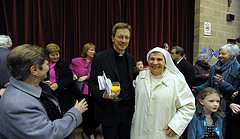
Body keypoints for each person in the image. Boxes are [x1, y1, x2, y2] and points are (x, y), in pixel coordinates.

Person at [0, 44, 88, 138]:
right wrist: (75, 112)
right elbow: (49, 133)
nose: (48, 67)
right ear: (34, 70)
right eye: (46, 64)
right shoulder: (19, 104)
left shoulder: (37, 85)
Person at [131, 47, 195, 139]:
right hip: (140, 132)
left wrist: (176, 126)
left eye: (159, 59)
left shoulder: (176, 81)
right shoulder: (140, 77)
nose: (155, 62)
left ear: (166, 62)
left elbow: (189, 106)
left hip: (163, 133)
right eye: (152, 59)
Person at [88, 22, 135, 139]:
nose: (123, 40)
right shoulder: (100, 57)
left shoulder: (130, 58)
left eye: (126, 37)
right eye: (120, 37)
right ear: (113, 38)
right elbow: (91, 84)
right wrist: (103, 95)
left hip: (127, 112)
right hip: (108, 111)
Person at [193, 44, 240, 137]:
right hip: (212, 104)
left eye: (223, 54)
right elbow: (209, 83)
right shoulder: (215, 67)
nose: (219, 56)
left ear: (231, 56)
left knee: (222, 131)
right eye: (219, 53)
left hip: (226, 106)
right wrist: (197, 89)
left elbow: (234, 91)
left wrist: (222, 83)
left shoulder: (237, 69)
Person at [70, 42, 98, 139]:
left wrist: (87, 77)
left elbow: (99, 74)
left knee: (93, 113)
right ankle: (87, 132)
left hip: (93, 91)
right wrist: (73, 74)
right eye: (91, 50)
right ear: (86, 51)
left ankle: (90, 130)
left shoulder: (96, 61)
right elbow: (70, 69)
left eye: (94, 50)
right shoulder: (77, 61)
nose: (93, 52)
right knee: (85, 113)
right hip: (81, 92)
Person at [45, 43, 74, 113]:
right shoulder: (44, 65)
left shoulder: (64, 64)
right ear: (48, 55)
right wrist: (46, 82)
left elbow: (70, 78)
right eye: (52, 55)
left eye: (57, 54)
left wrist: (58, 84)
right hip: (48, 95)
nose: (55, 57)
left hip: (63, 96)